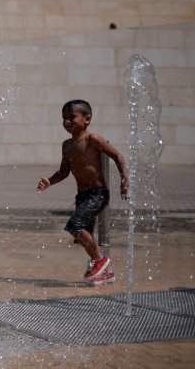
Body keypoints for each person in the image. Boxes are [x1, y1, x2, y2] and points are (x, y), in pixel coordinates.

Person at [37, 99, 128, 286]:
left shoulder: (92, 140)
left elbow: (118, 156)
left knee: (74, 226)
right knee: (84, 233)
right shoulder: (67, 145)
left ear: (87, 119)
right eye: (64, 118)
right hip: (82, 196)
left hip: (98, 194)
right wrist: (49, 181)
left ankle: (100, 259)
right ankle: (106, 272)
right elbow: (64, 172)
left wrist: (124, 179)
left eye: (72, 117)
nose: (67, 122)